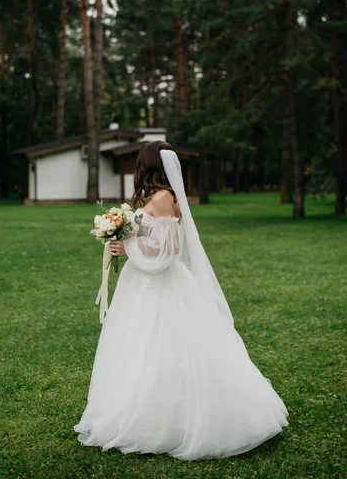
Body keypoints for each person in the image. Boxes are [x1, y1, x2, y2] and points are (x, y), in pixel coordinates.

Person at [73, 141, 289, 460]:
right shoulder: (161, 197)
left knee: (163, 348)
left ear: (147, 165)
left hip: (160, 287)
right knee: (139, 350)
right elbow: (154, 240)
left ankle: (167, 422)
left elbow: (167, 253)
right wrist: (124, 238)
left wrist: (127, 247)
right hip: (142, 285)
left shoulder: (162, 198)